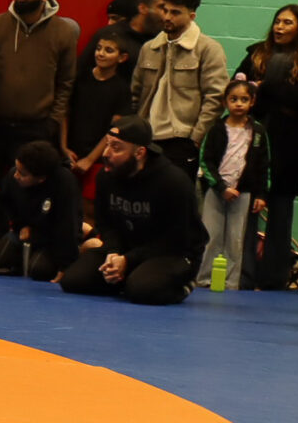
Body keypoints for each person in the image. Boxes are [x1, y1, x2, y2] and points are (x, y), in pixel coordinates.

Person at [233, 4, 298, 291]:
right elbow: (237, 90)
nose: (279, 27)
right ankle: (244, 274)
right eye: (277, 21)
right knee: (248, 207)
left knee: (281, 211)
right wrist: (264, 93)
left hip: (290, 143)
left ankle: (274, 279)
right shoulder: (256, 53)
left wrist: (264, 89)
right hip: (254, 140)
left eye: (287, 22)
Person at [59, 119, 199, 305]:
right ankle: (127, 277)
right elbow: (105, 224)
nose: (106, 153)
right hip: (127, 250)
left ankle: (182, 284)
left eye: (116, 148)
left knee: (141, 290)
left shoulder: (173, 182)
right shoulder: (106, 176)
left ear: (139, 153)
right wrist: (114, 252)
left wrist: (128, 260)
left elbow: (176, 239)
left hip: (172, 252)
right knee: (73, 280)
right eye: (107, 144)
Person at [0, 0, 79, 169]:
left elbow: (65, 82)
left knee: (25, 182)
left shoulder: (63, 32)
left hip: (35, 128)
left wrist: (53, 122)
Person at [131, 0, 228, 177]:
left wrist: (196, 137)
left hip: (182, 139)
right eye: (165, 10)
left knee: (176, 193)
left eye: (175, 13)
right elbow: (136, 91)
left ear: (191, 16)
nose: (167, 17)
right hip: (147, 136)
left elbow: (216, 98)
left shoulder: (208, 49)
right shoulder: (149, 48)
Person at [197, 77, 271, 290]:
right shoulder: (217, 129)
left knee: (235, 240)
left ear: (252, 102)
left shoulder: (258, 132)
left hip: (243, 193)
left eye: (244, 99)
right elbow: (206, 161)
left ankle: (230, 283)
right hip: (216, 191)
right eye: (234, 99)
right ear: (225, 102)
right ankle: (203, 279)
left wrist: (261, 195)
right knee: (211, 236)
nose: (239, 104)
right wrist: (221, 187)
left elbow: (264, 165)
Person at [0, 139, 80, 281]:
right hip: (26, 230)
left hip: (53, 237)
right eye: (16, 169)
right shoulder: (13, 176)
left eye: (23, 174)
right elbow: (5, 204)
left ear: (41, 178)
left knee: (39, 270)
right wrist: (20, 225)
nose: (16, 175)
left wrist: (65, 266)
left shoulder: (64, 182)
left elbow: (67, 225)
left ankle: (81, 250)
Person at [67, 27, 139, 171]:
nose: (100, 53)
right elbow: (64, 112)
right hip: (69, 149)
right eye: (98, 48)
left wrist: (90, 158)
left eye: (108, 50)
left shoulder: (121, 89)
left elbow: (115, 128)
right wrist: (63, 147)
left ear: (122, 58)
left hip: (98, 155)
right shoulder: (80, 77)